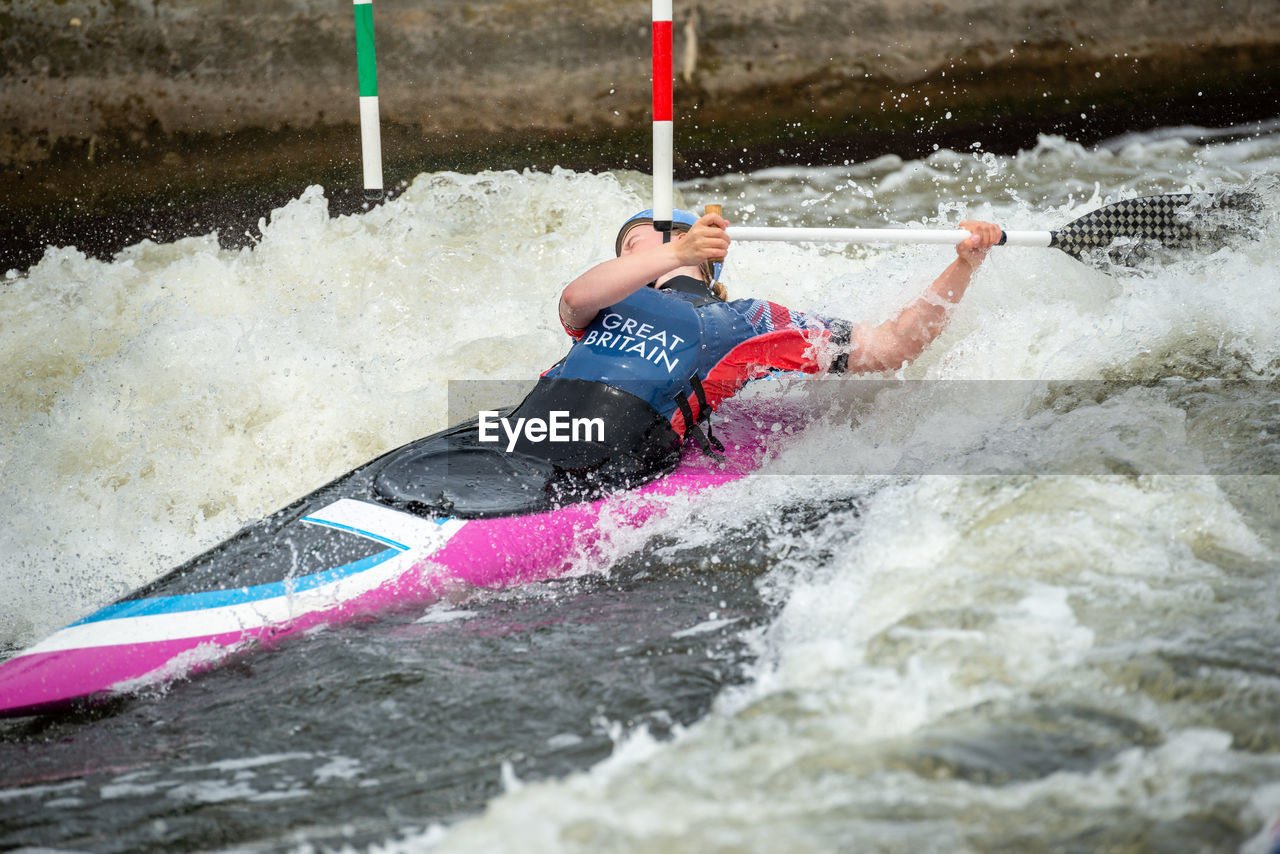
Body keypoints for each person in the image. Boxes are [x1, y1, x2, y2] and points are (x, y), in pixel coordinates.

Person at [373, 207, 1001, 518]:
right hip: (533, 433)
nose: (648, 243)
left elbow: (892, 346)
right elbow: (575, 295)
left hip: (617, 456)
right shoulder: (605, 297)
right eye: (634, 242)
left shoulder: (752, 320)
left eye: (662, 236)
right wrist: (666, 250)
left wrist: (965, 262)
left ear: (708, 260)